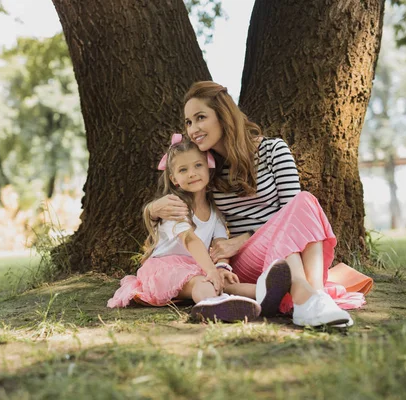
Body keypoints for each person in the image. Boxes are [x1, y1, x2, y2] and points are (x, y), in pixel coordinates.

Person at [147, 81, 362, 327]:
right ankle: (306, 298)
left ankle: (313, 296)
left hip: (284, 255)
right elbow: (183, 201)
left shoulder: (274, 151)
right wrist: (151, 209)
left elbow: (292, 218)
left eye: (200, 118)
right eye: (188, 122)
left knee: (305, 201)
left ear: (223, 116)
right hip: (247, 263)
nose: (193, 129)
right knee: (302, 207)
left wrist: (241, 239)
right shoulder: (207, 170)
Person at [108, 134, 271, 322]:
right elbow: (190, 240)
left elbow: (220, 245)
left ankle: (271, 294)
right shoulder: (174, 206)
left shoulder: (215, 211)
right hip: (166, 269)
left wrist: (221, 267)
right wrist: (210, 270)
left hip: (198, 266)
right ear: (174, 179)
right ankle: (214, 306)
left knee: (225, 281)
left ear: (209, 169)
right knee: (202, 282)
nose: (192, 173)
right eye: (183, 170)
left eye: (198, 165)